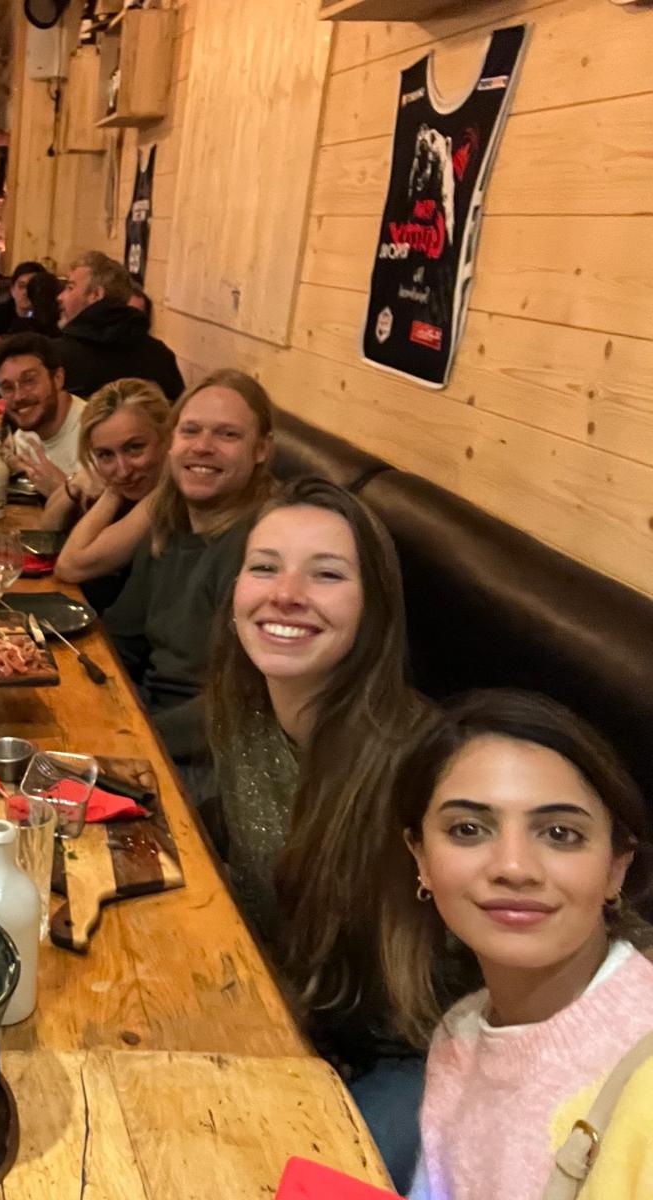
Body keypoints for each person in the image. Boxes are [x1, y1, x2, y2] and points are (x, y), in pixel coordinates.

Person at [205, 477, 433, 1189]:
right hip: (284, 1012)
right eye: (264, 566)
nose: (286, 593)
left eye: (326, 574)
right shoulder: (247, 709)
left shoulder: (420, 762)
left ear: (375, 608)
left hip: (410, 1059)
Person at [383, 691, 653, 1200]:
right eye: (468, 829)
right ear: (419, 856)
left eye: (560, 833)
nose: (513, 867)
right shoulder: (460, 1033)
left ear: (617, 866)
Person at [104, 368, 275, 767]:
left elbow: (243, 703)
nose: (202, 446)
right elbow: (122, 636)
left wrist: (132, 741)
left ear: (261, 449)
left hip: (207, 756)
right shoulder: (171, 520)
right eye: (191, 430)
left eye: (228, 434)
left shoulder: (262, 546)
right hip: (146, 718)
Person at [46, 377, 170, 611]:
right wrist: (88, 483)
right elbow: (46, 527)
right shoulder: (123, 488)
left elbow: (69, 566)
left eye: (134, 448)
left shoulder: (166, 495)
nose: (123, 470)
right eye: (105, 454)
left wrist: (113, 488)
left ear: (166, 437)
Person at [56, 250, 183, 400]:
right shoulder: (160, 356)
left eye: (70, 288)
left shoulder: (57, 357)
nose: (60, 297)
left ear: (96, 295)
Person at [0, 332, 87, 498]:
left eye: (29, 381)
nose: (19, 396)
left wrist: (64, 492)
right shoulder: (24, 436)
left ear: (58, 378)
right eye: (8, 388)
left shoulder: (94, 433)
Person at [0, 261, 45, 358]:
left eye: (32, 287)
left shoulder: (47, 319)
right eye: (21, 286)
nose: (26, 292)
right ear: (12, 289)